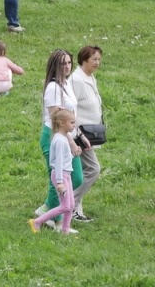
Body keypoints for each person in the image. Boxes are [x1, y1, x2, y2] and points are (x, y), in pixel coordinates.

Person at [34, 49, 83, 228]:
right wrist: (71, 142)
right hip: (54, 137)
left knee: (76, 177)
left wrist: (78, 135)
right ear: (55, 65)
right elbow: (56, 119)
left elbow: (70, 114)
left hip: (67, 135)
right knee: (59, 178)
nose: (67, 66)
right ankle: (57, 219)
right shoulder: (53, 88)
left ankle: (48, 209)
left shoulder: (66, 83)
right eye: (63, 63)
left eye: (69, 62)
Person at [29, 108, 79, 235]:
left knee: (70, 205)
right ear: (62, 123)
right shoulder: (60, 140)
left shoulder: (62, 138)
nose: (74, 125)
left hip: (66, 175)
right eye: (72, 122)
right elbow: (58, 163)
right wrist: (60, 182)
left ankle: (65, 230)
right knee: (65, 206)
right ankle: (37, 221)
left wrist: (74, 154)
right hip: (61, 176)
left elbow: (65, 159)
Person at [71, 45, 104, 223]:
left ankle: (76, 209)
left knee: (82, 171)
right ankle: (70, 204)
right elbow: (71, 107)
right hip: (79, 134)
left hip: (88, 133)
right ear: (84, 60)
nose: (97, 63)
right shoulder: (77, 79)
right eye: (94, 59)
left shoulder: (89, 77)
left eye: (99, 59)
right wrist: (75, 132)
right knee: (93, 169)